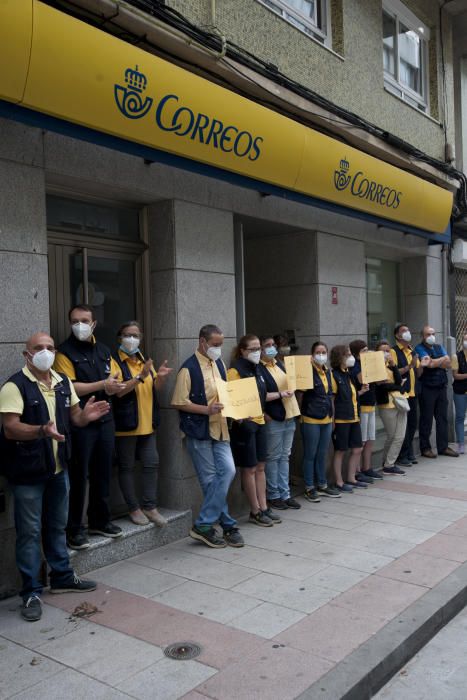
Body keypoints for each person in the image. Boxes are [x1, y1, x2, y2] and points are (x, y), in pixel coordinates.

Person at [0, 332, 110, 622]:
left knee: (57, 526)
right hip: (27, 473)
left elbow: (75, 417)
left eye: (50, 347)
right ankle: (30, 592)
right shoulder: (15, 386)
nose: (46, 352)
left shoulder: (63, 382)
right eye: (39, 348)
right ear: (27, 355)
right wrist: (40, 431)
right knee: (30, 532)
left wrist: (87, 416)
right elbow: (10, 428)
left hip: (59, 469)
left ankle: (61, 576)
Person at [54, 304, 125, 550]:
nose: (79, 325)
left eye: (84, 320)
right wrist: (103, 385)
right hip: (80, 421)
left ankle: (100, 520)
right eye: (75, 321)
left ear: (94, 323)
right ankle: (75, 529)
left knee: (102, 473)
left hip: (105, 419)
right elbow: (69, 386)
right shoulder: (63, 353)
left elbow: (116, 379)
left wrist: (116, 385)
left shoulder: (104, 350)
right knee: (79, 476)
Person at [171, 324, 244, 548]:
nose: (218, 349)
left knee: (228, 471)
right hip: (199, 431)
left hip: (220, 428)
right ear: (202, 342)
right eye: (215, 345)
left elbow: (225, 394)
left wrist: (236, 412)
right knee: (210, 481)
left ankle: (203, 525)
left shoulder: (219, 363)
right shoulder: (188, 369)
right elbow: (178, 402)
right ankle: (228, 525)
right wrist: (206, 410)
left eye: (221, 344)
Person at [113, 321, 173, 526]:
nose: (132, 339)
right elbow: (119, 391)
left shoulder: (143, 360)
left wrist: (161, 377)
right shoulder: (114, 361)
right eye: (127, 335)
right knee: (127, 467)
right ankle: (133, 508)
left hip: (148, 424)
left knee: (151, 463)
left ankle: (150, 506)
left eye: (136, 335)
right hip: (126, 425)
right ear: (120, 338)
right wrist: (140, 377)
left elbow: (154, 387)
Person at [228, 335, 281, 526]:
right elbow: (234, 401)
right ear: (242, 350)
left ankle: (264, 507)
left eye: (259, 348)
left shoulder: (258, 368)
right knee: (249, 468)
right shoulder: (235, 370)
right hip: (246, 426)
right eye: (253, 348)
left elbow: (261, 395)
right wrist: (244, 420)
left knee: (260, 466)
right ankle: (255, 510)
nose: (257, 351)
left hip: (260, 422)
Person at [259, 336, 301, 510]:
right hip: (274, 418)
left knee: (285, 456)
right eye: (267, 345)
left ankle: (285, 494)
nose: (271, 348)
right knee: (273, 457)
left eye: (273, 345)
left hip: (289, 416)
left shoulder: (280, 364)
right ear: (260, 349)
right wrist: (266, 413)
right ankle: (274, 494)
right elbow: (259, 394)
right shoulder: (259, 369)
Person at [300, 342, 341, 502]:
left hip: (326, 418)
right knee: (310, 454)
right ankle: (309, 487)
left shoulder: (328, 372)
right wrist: (299, 415)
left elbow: (330, 397)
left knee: (322, 453)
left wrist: (333, 418)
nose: (321, 355)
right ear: (312, 355)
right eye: (318, 352)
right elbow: (301, 396)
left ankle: (322, 484)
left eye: (324, 352)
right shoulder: (307, 372)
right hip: (310, 418)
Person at [415, 326, 458, 458]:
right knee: (426, 419)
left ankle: (443, 447)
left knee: (442, 418)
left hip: (441, 387)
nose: (431, 336)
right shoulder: (419, 348)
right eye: (428, 334)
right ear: (423, 336)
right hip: (427, 388)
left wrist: (435, 361)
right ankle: (425, 448)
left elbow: (449, 364)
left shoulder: (439, 346)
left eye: (433, 333)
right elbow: (429, 364)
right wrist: (441, 360)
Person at [330, 345, 368, 493]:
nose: (351, 357)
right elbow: (332, 400)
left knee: (357, 448)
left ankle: (351, 478)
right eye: (347, 355)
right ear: (340, 358)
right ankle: (339, 482)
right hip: (341, 419)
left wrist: (362, 392)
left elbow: (350, 396)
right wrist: (333, 420)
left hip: (354, 417)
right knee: (340, 450)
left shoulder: (348, 374)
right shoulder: (334, 375)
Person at [391, 324, 426, 467]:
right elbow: (395, 372)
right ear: (397, 336)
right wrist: (410, 366)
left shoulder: (411, 350)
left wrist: (421, 365)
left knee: (412, 425)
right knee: (402, 427)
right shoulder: (394, 351)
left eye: (408, 330)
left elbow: (419, 373)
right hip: (401, 393)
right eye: (403, 331)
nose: (407, 333)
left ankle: (408, 451)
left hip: (413, 392)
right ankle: (402, 455)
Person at [349, 340, 381, 482]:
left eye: (368, 350)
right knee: (360, 441)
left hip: (371, 404)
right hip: (361, 406)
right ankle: (356, 471)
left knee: (370, 439)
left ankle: (367, 467)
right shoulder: (355, 366)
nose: (367, 354)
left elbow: (380, 379)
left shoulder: (366, 364)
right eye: (364, 351)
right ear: (356, 353)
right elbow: (363, 378)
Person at [375, 340, 407, 475]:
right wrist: (397, 386)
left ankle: (388, 463)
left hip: (399, 402)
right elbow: (382, 386)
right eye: (382, 351)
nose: (386, 353)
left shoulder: (390, 365)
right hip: (386, 404)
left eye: (387, 350)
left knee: (400, 436)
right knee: (392, 435)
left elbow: (399, 380)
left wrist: (394, 366)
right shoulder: (375, 368)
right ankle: (388, 464)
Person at [452, 332, 467, 454]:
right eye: (465, 339)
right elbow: (455, 375)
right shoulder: (456, 356)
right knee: (460, 417)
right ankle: (461, 443)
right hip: (460, 391)